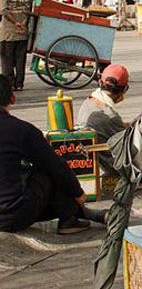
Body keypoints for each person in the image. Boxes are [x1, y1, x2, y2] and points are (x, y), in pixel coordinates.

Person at [0, 76, 107, 234]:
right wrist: (77, 192)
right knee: (47, 171)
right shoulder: (21, 130)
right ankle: (71, 216)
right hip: (11, 216)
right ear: (12, 98)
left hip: (11, 210)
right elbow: (55, 166)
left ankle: (75, 215)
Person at [76, 64, 142, 190]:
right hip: (116, 162)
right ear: (125, 89)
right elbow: (129, 145)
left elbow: (115, 130)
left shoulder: (89, 103)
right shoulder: (110, 115)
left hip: (103, 154)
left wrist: (136, 122)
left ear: (99, 82)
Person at [0, 0, 32, 92]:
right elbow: (29, 10)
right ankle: (19, 84)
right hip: (23, 33)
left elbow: (4, 10)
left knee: (7, 60)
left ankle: (9, 85)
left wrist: (15, 23)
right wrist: (23, 23)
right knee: (20, 59)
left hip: (8, 33)